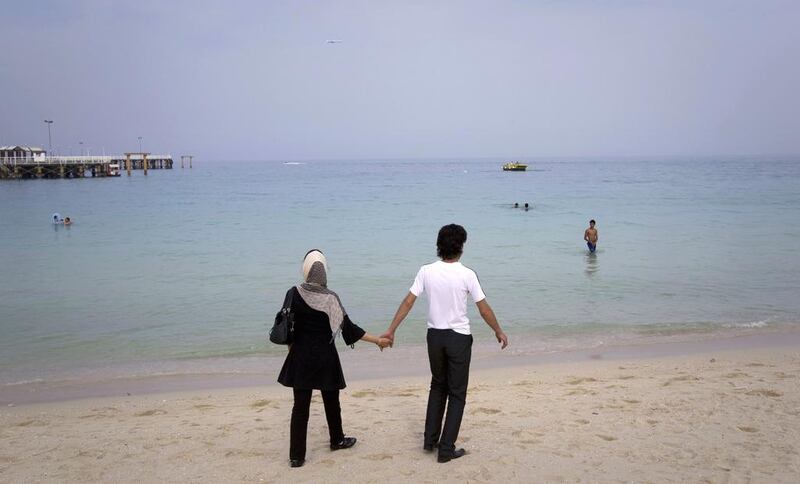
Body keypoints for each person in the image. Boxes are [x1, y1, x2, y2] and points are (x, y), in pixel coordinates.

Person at [382, 224, 508, 463]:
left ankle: (430, 441)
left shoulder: (426, 271)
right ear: (460, 247)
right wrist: (498, 330)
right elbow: (483, 308)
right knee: (457, 393)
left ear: (439, 246)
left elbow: (408, 302)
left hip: (435, 338)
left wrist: (391, 329)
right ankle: (446, 449)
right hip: (458, 338)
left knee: (438, 386)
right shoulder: (467, 274)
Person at [277, 249, 391, 468]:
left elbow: (286, 327)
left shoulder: (292, 293)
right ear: (324, 272)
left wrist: (292, 350)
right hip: (325, 359)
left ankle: (296, 457)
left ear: (305, 269)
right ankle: (337, 440)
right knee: (332, 401)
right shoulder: (331, 298)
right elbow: (348, 329)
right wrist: (378, 340)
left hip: (300, 357)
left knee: (300, 408)